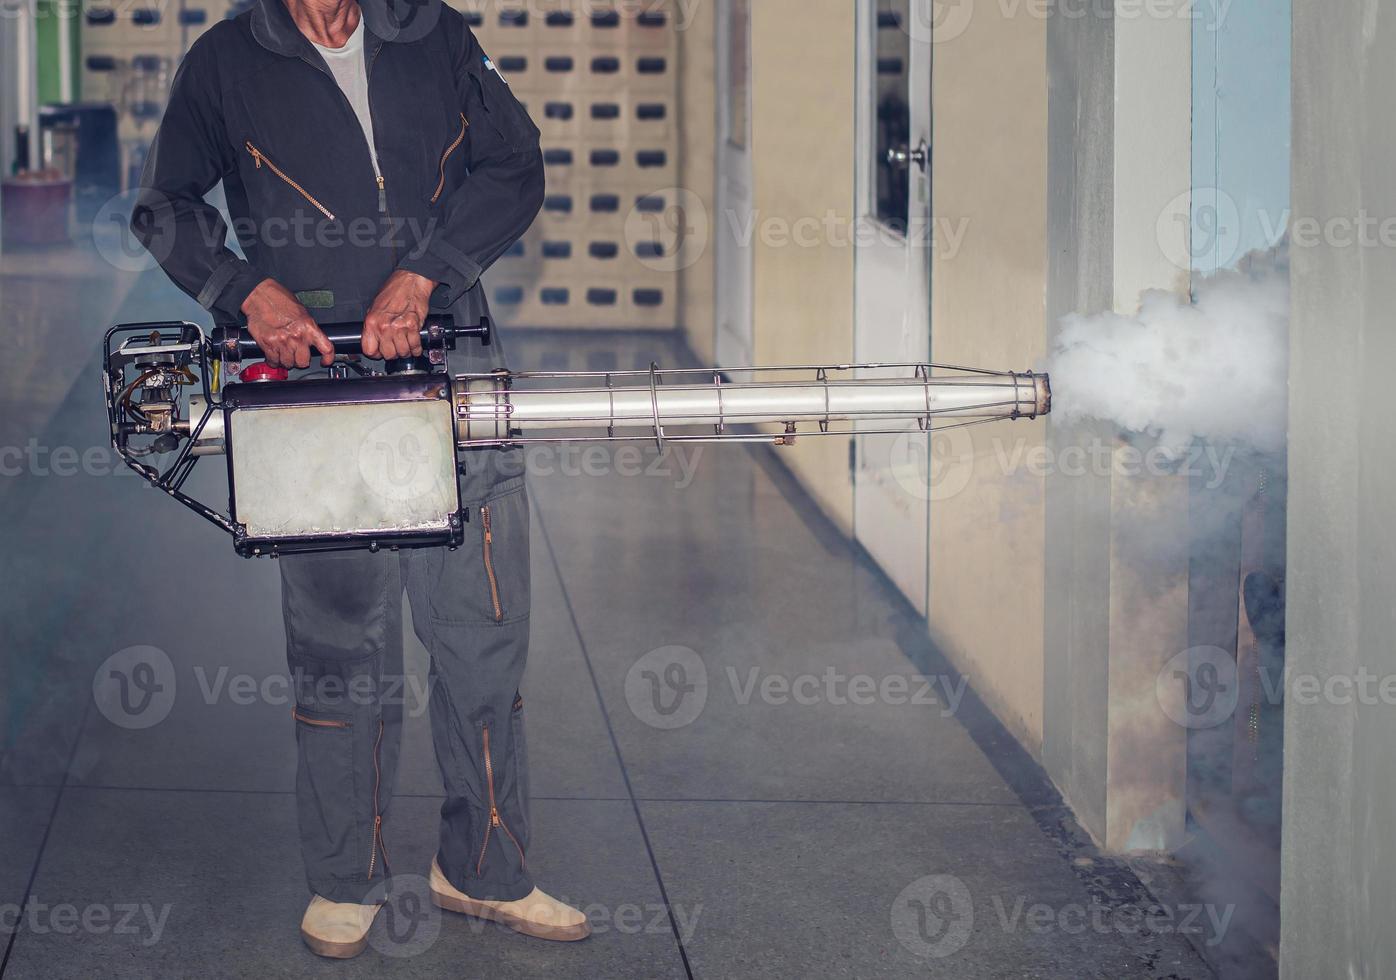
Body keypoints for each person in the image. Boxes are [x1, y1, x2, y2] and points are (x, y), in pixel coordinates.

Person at [130, 0, 589, 957]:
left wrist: (425, 273)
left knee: (483, 636)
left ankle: (485, 869)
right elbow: (166, 204)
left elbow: (515, 165)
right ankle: (348, 876)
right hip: (318, 387)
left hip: (450, 364)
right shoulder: (226, 60)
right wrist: (247, 291)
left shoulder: (437, 36)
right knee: (343, 648)